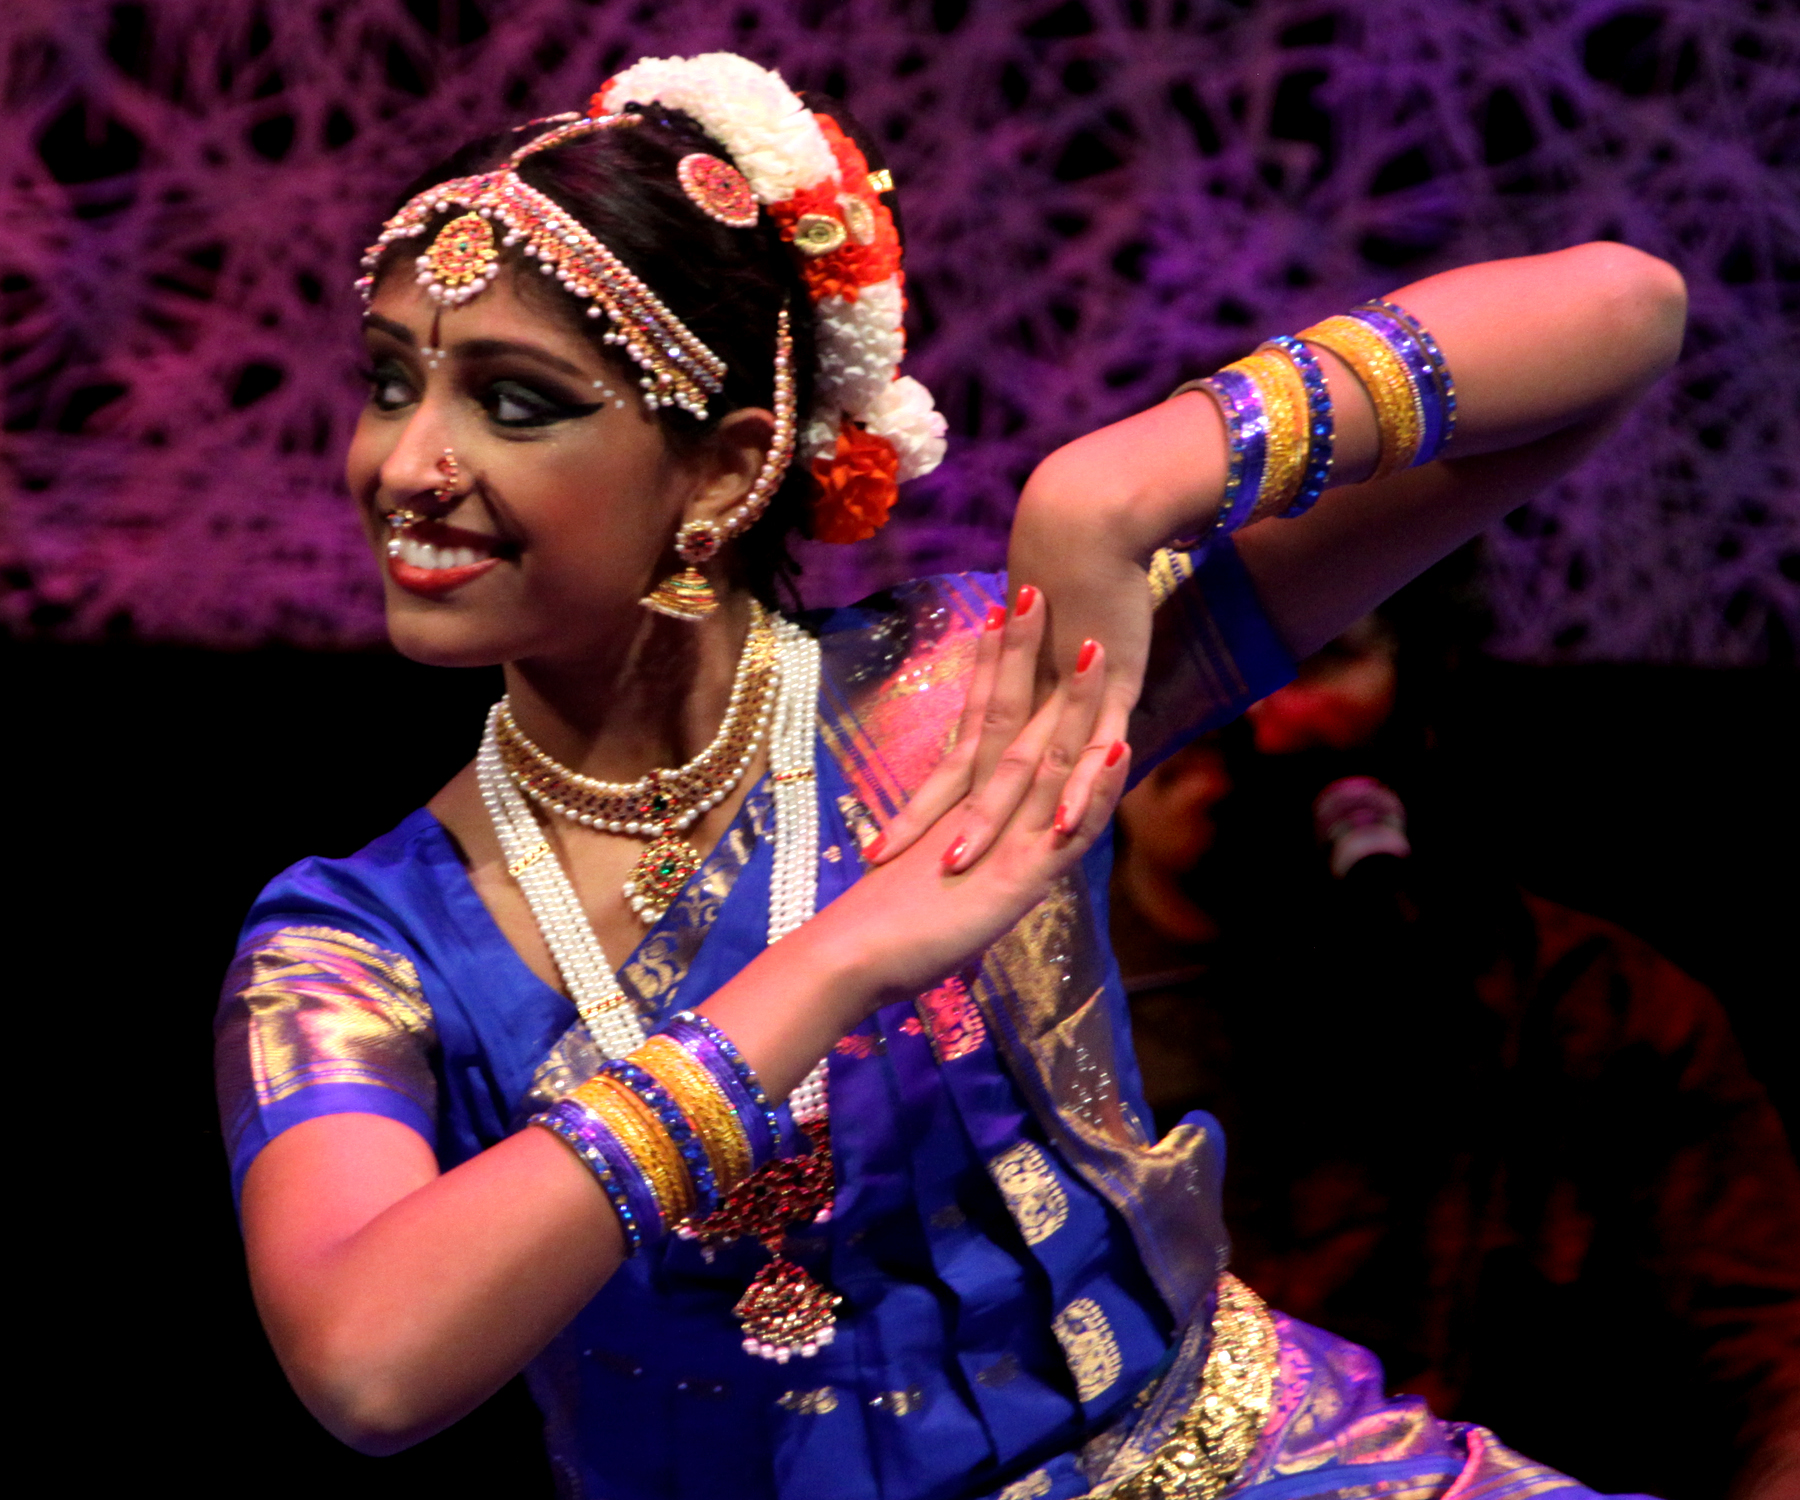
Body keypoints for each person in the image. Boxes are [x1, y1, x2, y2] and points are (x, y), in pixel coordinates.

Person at [214, 52, 1689, 1500]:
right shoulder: (361, 944)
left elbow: (1624, 315)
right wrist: (842, 960)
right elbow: (370, 1367)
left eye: (513, 402)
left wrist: (1124, 482)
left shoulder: (967, 696)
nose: (406, 462)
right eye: (392, 382)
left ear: (725, 474)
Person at [1111, 610, 1800, 1499]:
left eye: (1314, 655)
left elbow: (1770, 1346)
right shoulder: (1013, 1031)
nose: (1242, 706)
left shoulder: (1586, 1002)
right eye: (1175, 659)